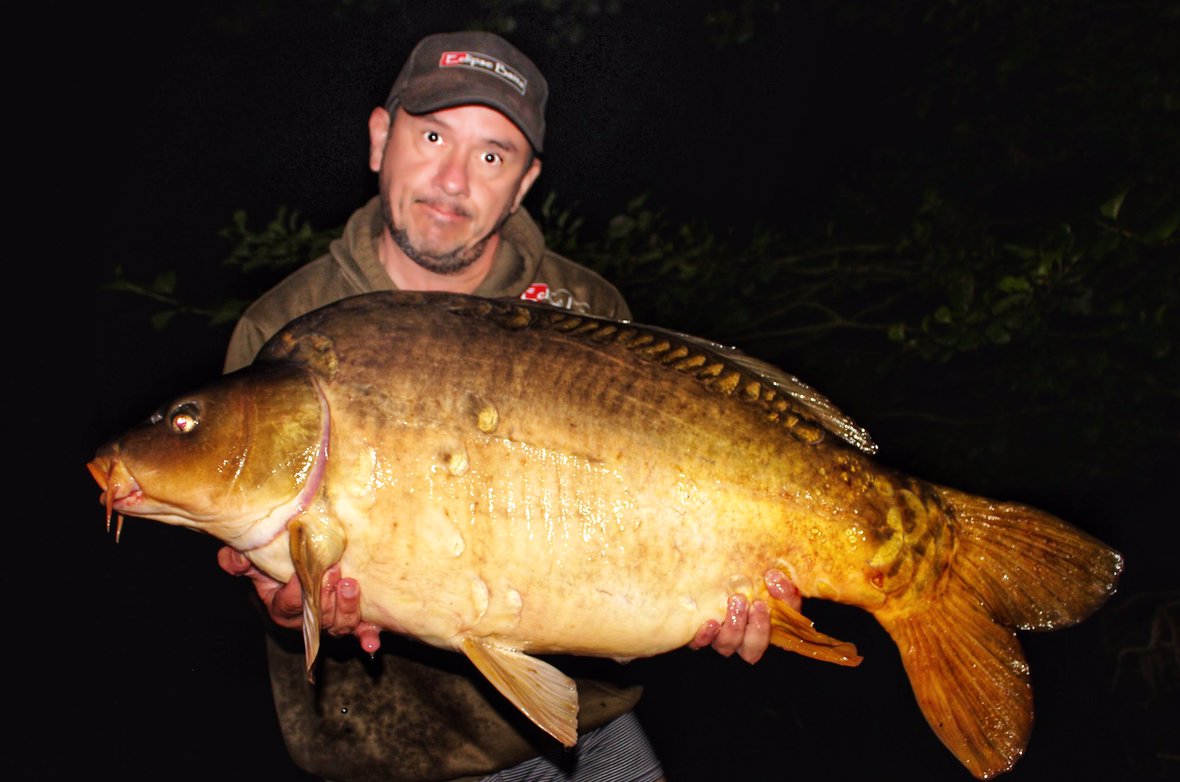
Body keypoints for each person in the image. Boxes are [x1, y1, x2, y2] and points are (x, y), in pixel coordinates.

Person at [217, 30, 802, 782]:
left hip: (587, 719)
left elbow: (647, 544)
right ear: (379, 138)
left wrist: (722, 594)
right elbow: (268, 568)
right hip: (394, 750)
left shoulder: (583, 308)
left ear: (524, 183)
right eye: (432, 135)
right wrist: (287, 599)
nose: (454, 179)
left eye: (492, 156)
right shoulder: (283, 330)